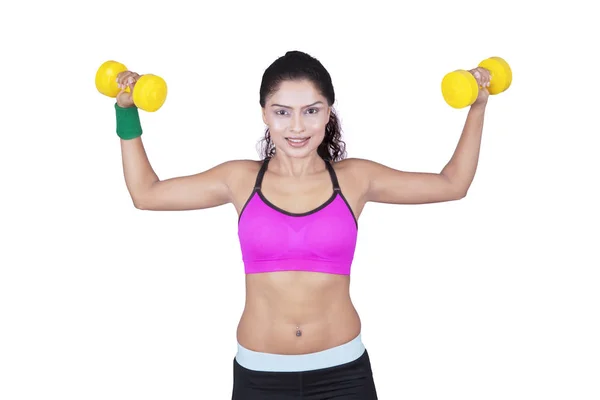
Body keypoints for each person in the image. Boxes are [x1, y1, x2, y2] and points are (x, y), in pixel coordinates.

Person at [113, 50, 491, 399]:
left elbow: (451, 184)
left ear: (328, 112)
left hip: (343, 372)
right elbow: (147, 194)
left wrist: (478, 106)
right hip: (260, 375)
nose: (297, 126)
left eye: (311, 111)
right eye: (282, 112)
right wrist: (126, 111)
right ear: (264, 113)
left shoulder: (356, 178)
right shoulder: (239, 180)